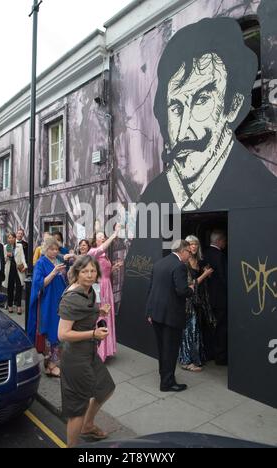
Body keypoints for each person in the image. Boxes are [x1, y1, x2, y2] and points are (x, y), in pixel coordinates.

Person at [119, 16, 277, 353]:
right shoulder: (154, 196)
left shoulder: (263, 191)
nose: (184, 128)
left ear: (232, 106)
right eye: (176, 106)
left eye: (202, 100)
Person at [58, 256, 115, 448]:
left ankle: (88, 426)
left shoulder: (89, 291)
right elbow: (63, 334)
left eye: (93, 271)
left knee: (105, 387)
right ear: (76, 273)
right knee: (77, 408)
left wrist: (100, 313)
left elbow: (83, 314)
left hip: (89, 353)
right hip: (74, 358)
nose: (90, 275)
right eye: (85, 271)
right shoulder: (71, 298)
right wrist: (93, 333)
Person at [146, 240, 194, 392]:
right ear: (183, 251)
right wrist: (192, 288)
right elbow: (182, 291)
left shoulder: (159, 263)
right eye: (189, 252)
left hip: (157, 314)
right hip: (171, 316)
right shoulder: (179, 266)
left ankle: (166, 377)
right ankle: (167, 383)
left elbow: (151, 289)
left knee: (163, 349)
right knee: (171, 350)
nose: (190, 256)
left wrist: (149, 312)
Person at [27, 238, 67, 377]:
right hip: (48, 302)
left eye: (57, 249)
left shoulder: (59, 260)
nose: (55, 251)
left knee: (58, 329)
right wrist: (54, 272)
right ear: (46, 249)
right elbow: (39, 284)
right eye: (52, 249)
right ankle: (51, 365)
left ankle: (51, 364)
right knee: (51, 330)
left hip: (59, 300)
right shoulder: (41, 263)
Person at [179, 235, 214, 372]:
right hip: (187, 301)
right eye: (191, 244)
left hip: (198, 300)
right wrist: (204, 275)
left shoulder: (198, 260)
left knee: (196, 330)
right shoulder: (184, 263)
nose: (193, 246)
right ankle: (186, 360)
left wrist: (206, 274)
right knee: (189, 330)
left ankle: (195, 357)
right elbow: (189, 285)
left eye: (196, 244)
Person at [88, 224, 122, 362]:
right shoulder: (93, 252)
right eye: (100, 237)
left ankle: (106, 350)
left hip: (107, 286)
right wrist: (115, 234)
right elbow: (102, 248)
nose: (102, 238)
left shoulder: (104, 254)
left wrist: (114, 268)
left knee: (107, 316)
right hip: (99, 287)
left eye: (103, 236)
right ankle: (98, 352)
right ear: (96, 240)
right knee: (100, 316)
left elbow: (104, 272)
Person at [204, 230, 228, 365]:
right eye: (225, 241)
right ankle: (220, 357)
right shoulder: (220, 256)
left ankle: (209, 353)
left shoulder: (205, 253)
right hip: (220, 299)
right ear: (219, 241)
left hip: (208, 298)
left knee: (209, 327)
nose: (226, 243)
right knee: (221, 328)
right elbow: (224, 278)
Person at [3, 232, 27, 315]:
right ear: (7, 239)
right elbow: (4, 261)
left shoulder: (19, 246)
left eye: (12, 237)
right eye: (9, 238)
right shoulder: (5, 247)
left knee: (19, 288)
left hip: (18, 269)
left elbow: (23, 257)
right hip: (9, 269)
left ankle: (19, 306)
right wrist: (7, 256)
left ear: (15, 238)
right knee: (10, 288)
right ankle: (10, 305)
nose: (11, 239)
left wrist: (25, 266)